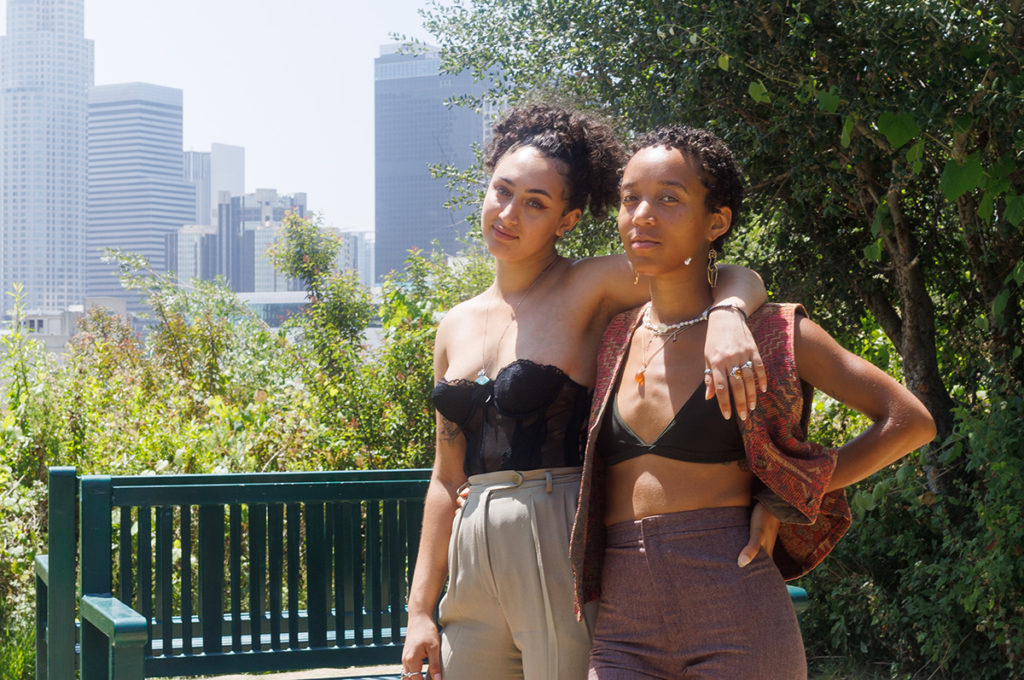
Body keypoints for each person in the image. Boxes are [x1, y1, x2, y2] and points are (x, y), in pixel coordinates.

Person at [400, 106, 770, 680]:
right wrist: (420, 610)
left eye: (535, 203)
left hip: (559, 532)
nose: (509, 213)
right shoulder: (454, 323)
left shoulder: (591, 285)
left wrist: (728, 313)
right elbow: (446, 478)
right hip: (473, 557)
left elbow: (710, 269)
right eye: (502, 191)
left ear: (566, 220)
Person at [569, 125, 937, 679]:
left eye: (669, 198)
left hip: (734, 602)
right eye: (629, 198)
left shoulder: (772, 333)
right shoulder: (611, 335)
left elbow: (910, 421)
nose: (641, 214)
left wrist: (792, 493)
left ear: (715, 221)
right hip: (622, 621)